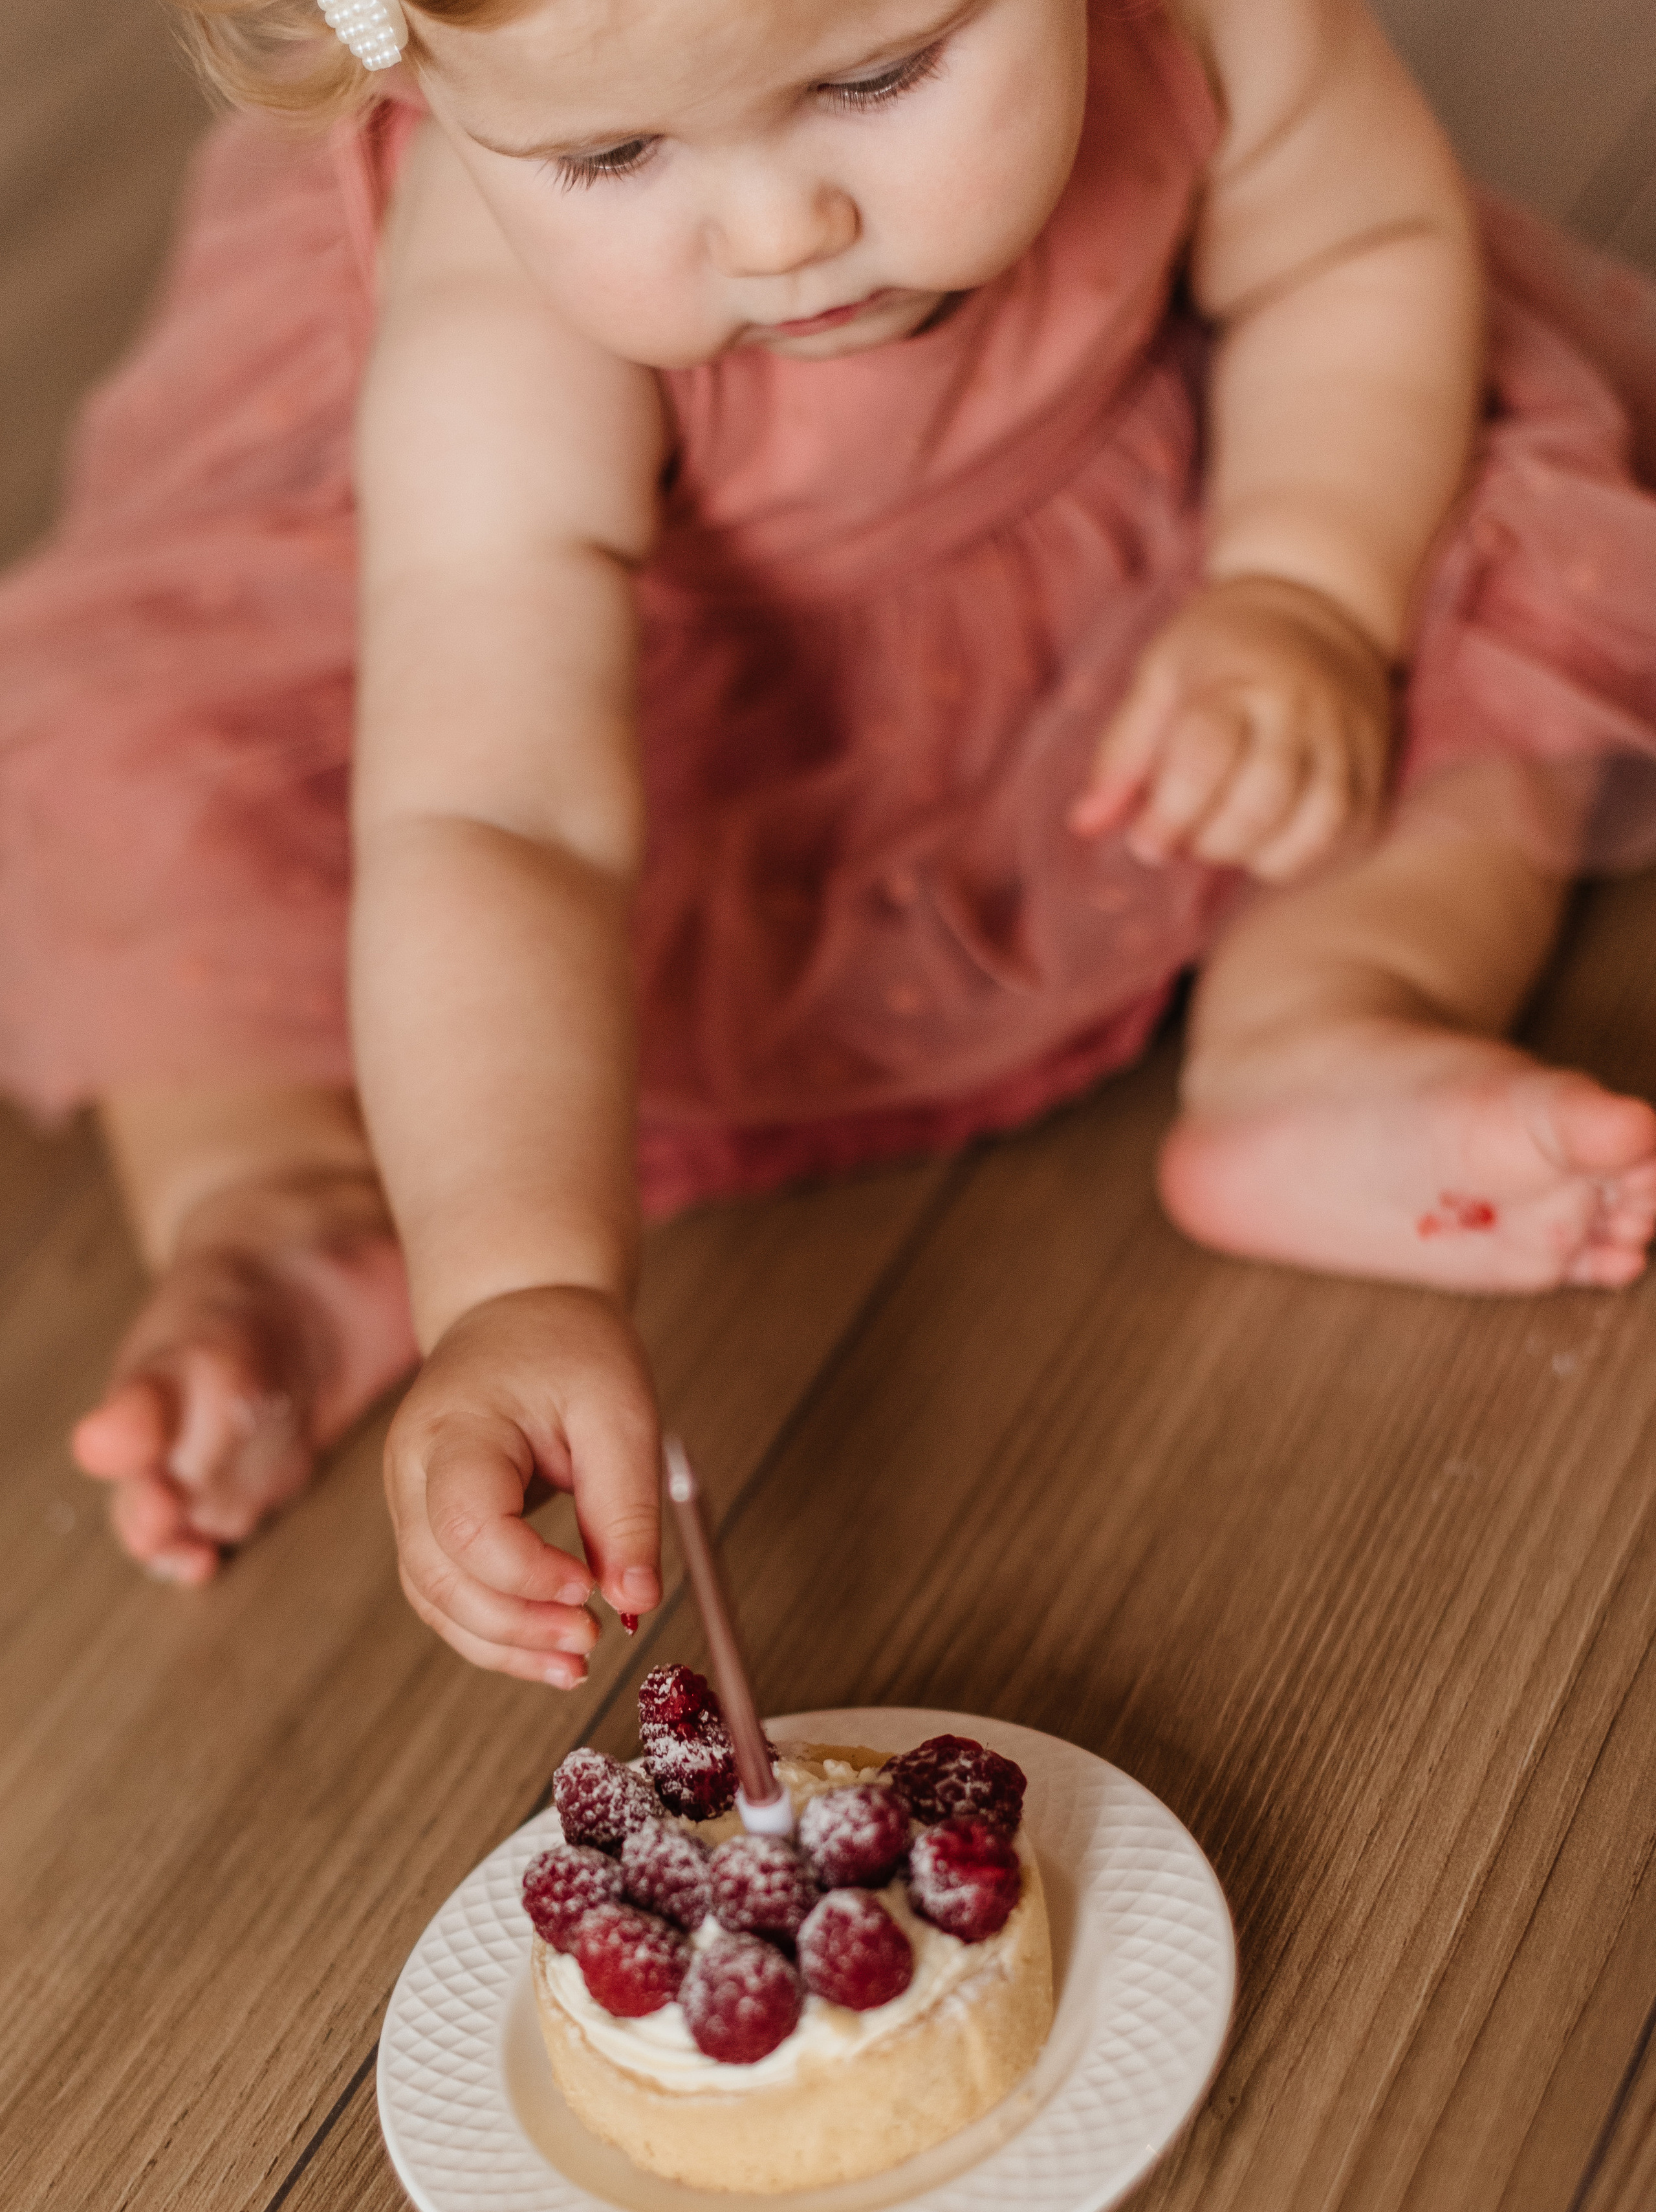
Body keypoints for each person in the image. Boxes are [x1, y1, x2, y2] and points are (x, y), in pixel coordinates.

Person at [5, 0, 1654, 1681]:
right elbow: (496, 814)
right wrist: (515, 1283)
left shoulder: (1227, 29)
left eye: (879, 74)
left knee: (1491, 542)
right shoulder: (499, 312)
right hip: (660, 730)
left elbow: (1358, 253)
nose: (786, 231)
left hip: (1163, 544)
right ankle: (282, 1207)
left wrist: (1306, 588)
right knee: (169, 814)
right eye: (611, 155)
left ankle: (1327, 1016)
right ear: (422, 81)